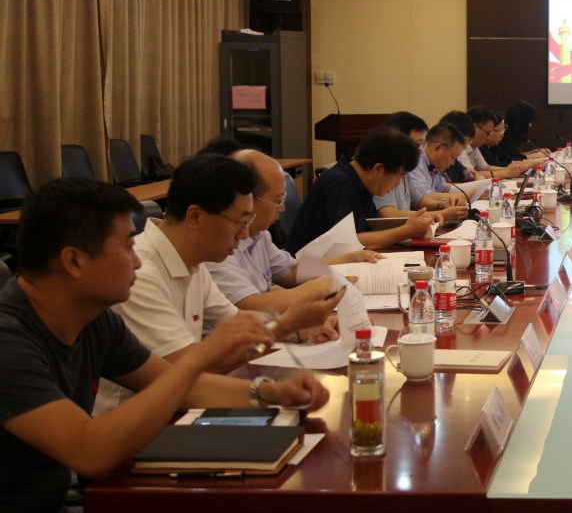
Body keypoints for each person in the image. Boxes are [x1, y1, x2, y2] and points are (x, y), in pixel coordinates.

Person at [0, 178, 328, 513]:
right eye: (126, 248)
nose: (137, 262)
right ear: (74, 262)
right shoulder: (9, 341)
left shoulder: (94, 320)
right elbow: (90, 452)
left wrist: (269, 394)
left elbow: (176, 386)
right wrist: (201, 358)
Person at [96, 156, 343, 412]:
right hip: (137, 418)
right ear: (195, 216)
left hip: (178, 409)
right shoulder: (138, 275)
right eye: (240, 222)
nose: (245, 234)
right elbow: (183, 374)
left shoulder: (192, 261)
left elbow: (237, 319)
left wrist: (301, 329)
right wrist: (287, 323)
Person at [205, 150, 380, 329]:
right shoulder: (218, 245)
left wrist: (348, 258)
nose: (282, 209)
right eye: (277, 201)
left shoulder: (259, 234)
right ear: (247, 199)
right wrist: (319, 288)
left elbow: (291, 271)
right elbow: (251, 305)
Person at [285, 125, 434, 253]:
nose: (397, 183)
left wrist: (414, 224)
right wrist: (405, 231)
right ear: (378, 168)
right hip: (309, 267)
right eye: (399, 176)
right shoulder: (338, 184)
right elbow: (347, 242)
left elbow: (371, 229)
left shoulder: (362, 183)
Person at [373, 122, 468, 223]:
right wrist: (443, 214)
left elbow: (418, 202)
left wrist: (443, 204)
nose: (422, 150)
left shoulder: (405, 171)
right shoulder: (384, 170)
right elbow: (391, 215)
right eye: (417, 144)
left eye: (422, 144)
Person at [464, 106, 533, 181]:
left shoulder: (474, 146)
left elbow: (486, 168)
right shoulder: (462, 147)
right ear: (475, 128)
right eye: (488, 132)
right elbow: (472, 175)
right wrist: (506, 172)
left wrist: (511, 169)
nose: (489, 137)